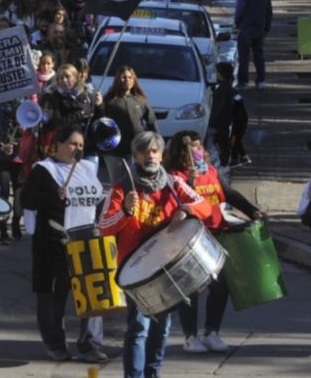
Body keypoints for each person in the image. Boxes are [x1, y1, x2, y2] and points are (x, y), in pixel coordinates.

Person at [100, 132, 211, 378]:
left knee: (162, 327)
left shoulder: (173, 183)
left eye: (154, 151)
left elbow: (204, 205)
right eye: (144, 151)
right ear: (136, 156)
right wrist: (126, 212)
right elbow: (104, 226)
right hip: (135, 269)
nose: (149, 155)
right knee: (139, 327)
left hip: (168, 266)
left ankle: (153, 373)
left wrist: (185, 210)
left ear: (161, 155)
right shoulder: (122, 187)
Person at [164, 131, 264, 354]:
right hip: (191, 239)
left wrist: (252, 210)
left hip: (217, 235)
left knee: (221, 288)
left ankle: (211, 332)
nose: (196, 153)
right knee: (191, 289)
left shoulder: (210, 171)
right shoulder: (174, 176)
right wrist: (188, 182)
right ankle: (190, 337)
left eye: (200, 147)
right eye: (191, 149)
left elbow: (228, 193)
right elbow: (176, 204)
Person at [21, 127, 108, 362]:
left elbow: (98, 201)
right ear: (57, 145)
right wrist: (52, 197)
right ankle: (56, 344)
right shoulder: (44, 170)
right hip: (54, 243)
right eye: (72, 144)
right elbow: (26, 199)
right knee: (53, 297)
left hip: (86, 240)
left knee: (92, 295)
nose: (77, 149)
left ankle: (90, 345)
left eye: (80, 145)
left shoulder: (88, 168)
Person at [101, 66, 158, 184]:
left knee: (135, 182)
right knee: (117, 184)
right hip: (114, 151)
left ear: (134, 80)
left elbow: (151, 121)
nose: (127, 80)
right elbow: (101, 120)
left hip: (136, 150)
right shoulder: (109, 100)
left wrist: (156, 143)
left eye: (129, 77)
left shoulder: (140, 100)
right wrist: (98, 105)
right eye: (123, 77)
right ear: (117, 79)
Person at [234, 0, 272, 89]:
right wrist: (267, 27)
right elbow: (269, 10)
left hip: (246, 28)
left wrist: (237, 23)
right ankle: (261, 81)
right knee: (259, 56)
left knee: (244, 57)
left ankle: (243, 82)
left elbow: (240, 9)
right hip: (260, 28)